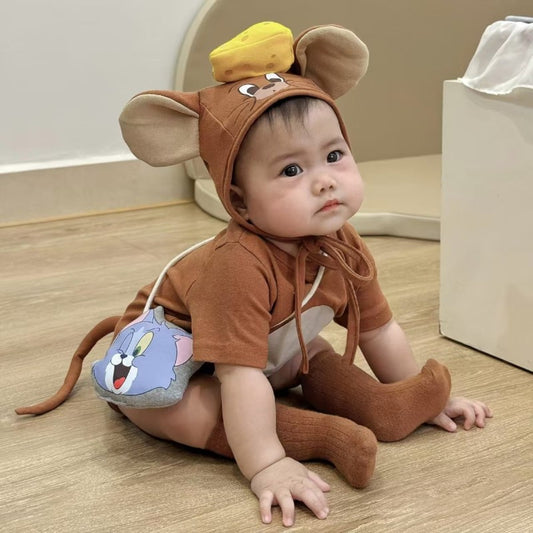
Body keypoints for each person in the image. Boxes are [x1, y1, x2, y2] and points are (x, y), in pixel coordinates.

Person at [17, 22, 492, 527]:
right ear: (239, 201)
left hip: (267, 350)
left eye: (334, 155)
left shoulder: (343, 244)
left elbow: (378, 328)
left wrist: (422, 395)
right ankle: (317, 436)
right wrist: (267, 465)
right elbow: (238, 376)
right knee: (181, 406)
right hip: (175, 363)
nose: (324, 180)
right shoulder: (237, 265)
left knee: (314, 355)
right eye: (291, 170)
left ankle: (383, 406)